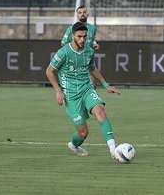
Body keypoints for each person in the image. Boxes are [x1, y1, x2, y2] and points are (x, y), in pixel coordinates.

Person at [46, 21, 121, 158]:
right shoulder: (64, 52)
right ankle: (74, 144)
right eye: (79, 36)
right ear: (72, 35)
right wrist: (58, 91)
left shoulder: (88, 50)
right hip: (71, 96)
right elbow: (49, 71)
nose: (82, 40)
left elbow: (92, 68)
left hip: (87, 89)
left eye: (84, 37)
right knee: (83, 133)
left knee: (100, 110)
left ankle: (113, 150)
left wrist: (105, 85)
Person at [61, 6, 99, 87]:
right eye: (80, 12)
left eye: (84, 12)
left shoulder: (92, 28)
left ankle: (92, 94)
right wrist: (72, 50)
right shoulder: (71, 29)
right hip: (75, 59)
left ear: (87, 14)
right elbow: (63, 43)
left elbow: (92, 39)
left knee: (92, 78)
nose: (82, 14)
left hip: (87, 57)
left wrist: (94, 44)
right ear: (77, 15)